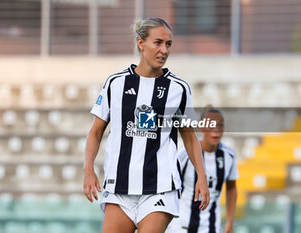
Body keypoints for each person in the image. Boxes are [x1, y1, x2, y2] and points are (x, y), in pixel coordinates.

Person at [83, 17, 209, 233]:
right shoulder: (116, 83)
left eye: (168, 44)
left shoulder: (178, 88)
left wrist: (202, 177)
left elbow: (189, 136)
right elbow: (96, 131)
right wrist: (88, 169)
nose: (164, 50)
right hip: (119, 187)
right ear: (141, 43)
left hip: (160, 187)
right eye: (157, 42)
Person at [166, 106, 239, 233]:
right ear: (201, 127)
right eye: (211, 126)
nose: (216, 131)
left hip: (210, 227)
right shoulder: (184, 156)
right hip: (181, 226)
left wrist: (230, 221)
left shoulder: (229, 156)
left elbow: (232, 188)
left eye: (220, 126)